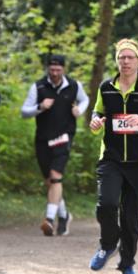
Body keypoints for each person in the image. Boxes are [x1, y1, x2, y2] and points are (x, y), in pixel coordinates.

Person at [89, 38, 138, 274]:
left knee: (131, 219)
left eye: (130, 57)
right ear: (117, 61)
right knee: (106, 205)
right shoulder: (106, 87)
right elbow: (98, 111)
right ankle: (108, 244)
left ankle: (127, 264)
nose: (125, 61)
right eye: (121, 57)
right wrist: (95, 121)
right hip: (111, 158)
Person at [21, 54, 89, 236]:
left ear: (64, 69)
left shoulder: (74, 86)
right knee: (50, 181)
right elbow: (24, 112)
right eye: (52, 70)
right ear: (47, 69)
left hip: (64, 137)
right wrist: (40, 107)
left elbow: (85, 100)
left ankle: (49, 219)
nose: (55, 73)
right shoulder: (38, 86)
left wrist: (79, 110)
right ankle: (64, 215)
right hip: (43, 139)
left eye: (58, 70)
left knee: (55, 176)